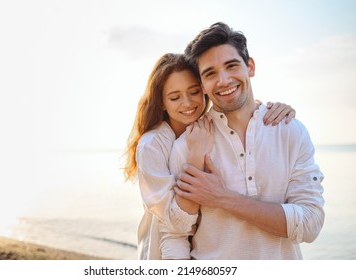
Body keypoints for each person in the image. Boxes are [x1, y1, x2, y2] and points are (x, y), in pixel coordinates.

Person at [168, 22, 325, 259]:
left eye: (231, 66)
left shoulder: (290, 131)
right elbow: (175, 233)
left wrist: (223, 198)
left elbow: (311, 224)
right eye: (210, 73)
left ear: (250, 67)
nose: (223, 80)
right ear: (201, 85)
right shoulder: (189, 144)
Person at [124, 53, 296, 260]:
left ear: (204, 90)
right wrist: (197, 154)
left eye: (194, 92)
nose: (187, 103)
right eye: (174, 97)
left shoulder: (207, 127)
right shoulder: (151, 145)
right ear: (161, 102)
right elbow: (174, 222)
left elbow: (243, 108)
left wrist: (269, 108)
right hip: (163, 254)